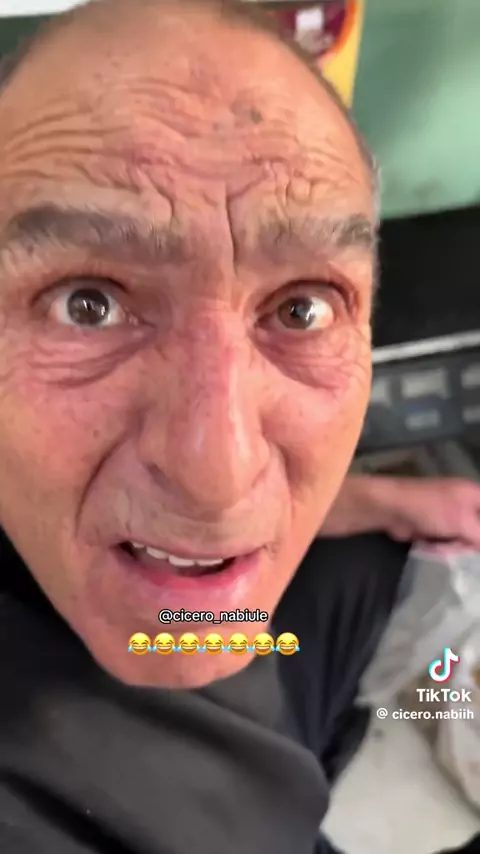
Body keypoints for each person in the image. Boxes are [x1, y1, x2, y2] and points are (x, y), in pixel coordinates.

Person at [0, 0, 479, 851]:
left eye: (301, 309)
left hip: (275, 690)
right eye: (88, 305)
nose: (218, 475)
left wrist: (380, 503)